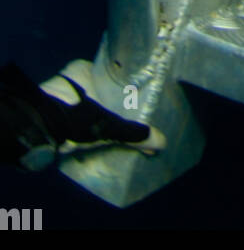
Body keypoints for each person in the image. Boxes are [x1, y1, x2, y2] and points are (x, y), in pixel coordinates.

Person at [0, 60, 164, 171]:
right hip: (68, 85)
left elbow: (151, 139)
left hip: (95, 94)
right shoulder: (18, 98)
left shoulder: (84, 127)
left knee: (148, 137)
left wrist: (150, 142)